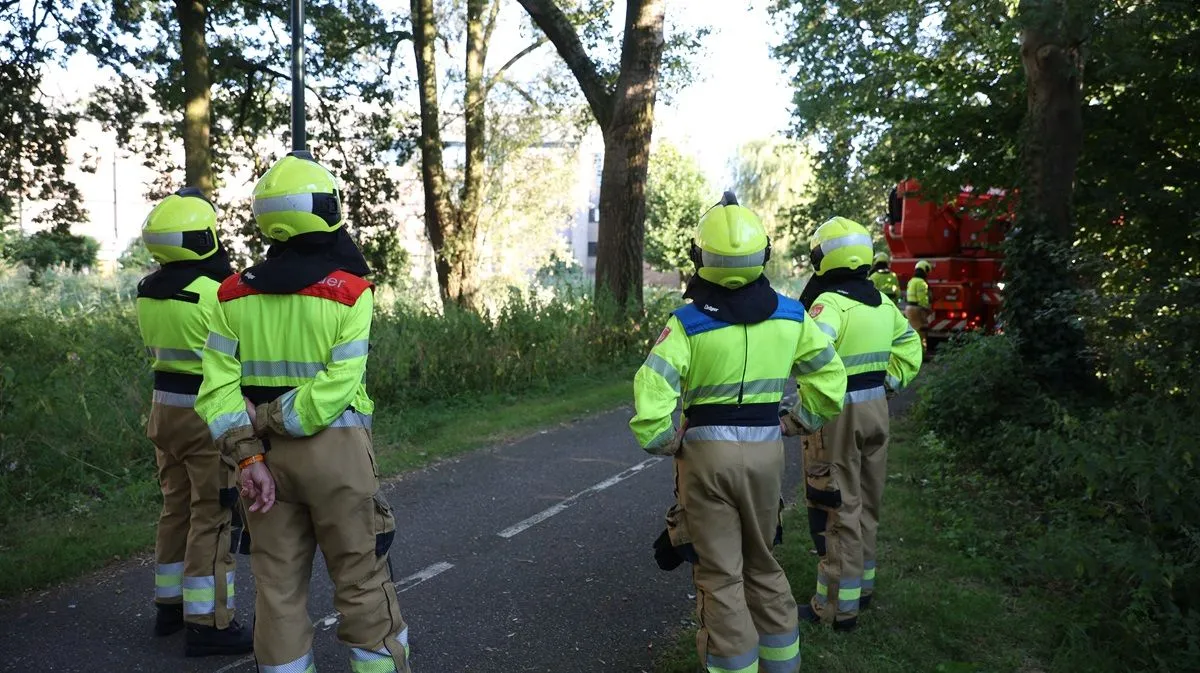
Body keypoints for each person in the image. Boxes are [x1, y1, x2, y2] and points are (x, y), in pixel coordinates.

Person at [196, 151, 411, 673]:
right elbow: (338, 386)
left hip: (262, 465)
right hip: (336, 459)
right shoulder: (351, 294)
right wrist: (271, 418)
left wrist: (249, 455)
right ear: (326, 211)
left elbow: (217, 393)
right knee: (361, 580)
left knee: (277, 589)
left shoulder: (230, 295)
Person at [631, 192, 847, 673]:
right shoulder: (793, 316)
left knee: (721, 575)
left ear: (699, 258)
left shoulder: (685, 324)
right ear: (763, 254)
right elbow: (829, 378)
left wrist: (666, 439)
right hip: (767, 452)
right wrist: (799, 421)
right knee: (763, 563)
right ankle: (782, 664)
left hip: (706, 458)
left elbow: (653, 391)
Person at [135, 187, 254, 656]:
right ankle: (209, 623)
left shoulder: (148, 291)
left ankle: (169, 607)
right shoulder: (215, 292)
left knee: (175, 509)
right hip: (204, 414)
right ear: (201, 237)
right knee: (213, 515)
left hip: (163, 412)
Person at [797, 217, 924, 631]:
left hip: (838, 414)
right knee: (867, 503)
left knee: (837, 508)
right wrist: (889, 381)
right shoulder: (883, 304)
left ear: (823, 257)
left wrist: (812, 397)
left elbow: (810, 350)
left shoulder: (829, 305)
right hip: (876, 407)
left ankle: (835, 606)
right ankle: (862, 590)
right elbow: (910, 347)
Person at [904, 259, 933, 354]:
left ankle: (911, 352)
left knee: (912, 332)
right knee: (921, 332)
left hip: (908, 308)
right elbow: (922, 299)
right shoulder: (921, 283)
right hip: (917, 309)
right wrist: (928, 309)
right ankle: (921, 354)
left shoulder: (911, 281)